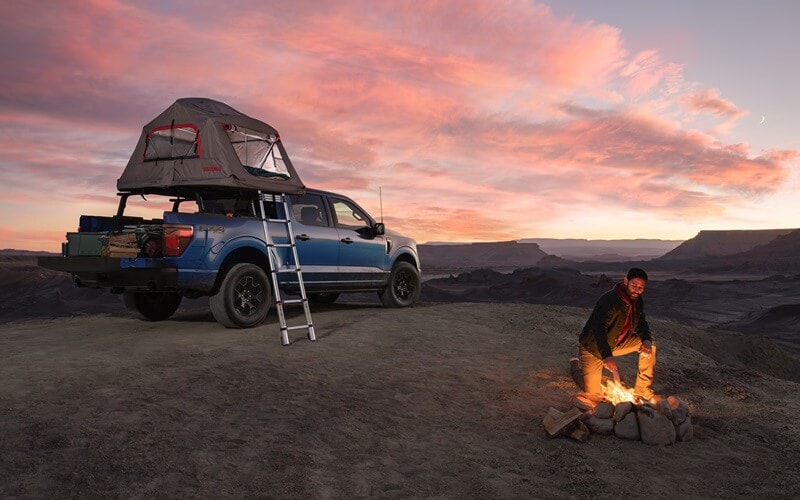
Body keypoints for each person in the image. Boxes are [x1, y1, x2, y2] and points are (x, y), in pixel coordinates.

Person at [576, 267, 656, 401]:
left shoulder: (637, 302)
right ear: (626, 281)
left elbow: (641, 322)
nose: (637, 290)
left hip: (615, 345)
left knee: (650, 344)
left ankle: (642, 389)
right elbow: (598, 329)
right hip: (593, 349)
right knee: (594, 397)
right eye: (634, 285)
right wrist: (607, 356)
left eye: (641, 287)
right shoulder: (609, 300)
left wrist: (646, 339)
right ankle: (574, 367)